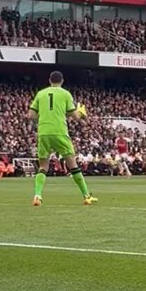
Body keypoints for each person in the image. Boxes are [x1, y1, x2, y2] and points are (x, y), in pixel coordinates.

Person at [29, 71, 96, 207]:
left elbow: (31, 115)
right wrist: (82, 113)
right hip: (60, 131)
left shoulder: (41, 94)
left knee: (43, 167)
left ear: (49, 80)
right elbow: (76, 116)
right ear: (62, 81)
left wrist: (43, 119)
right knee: (73, 165)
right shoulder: (65, 94)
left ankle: (37, 196)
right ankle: (86, 196)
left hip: (44, 132)